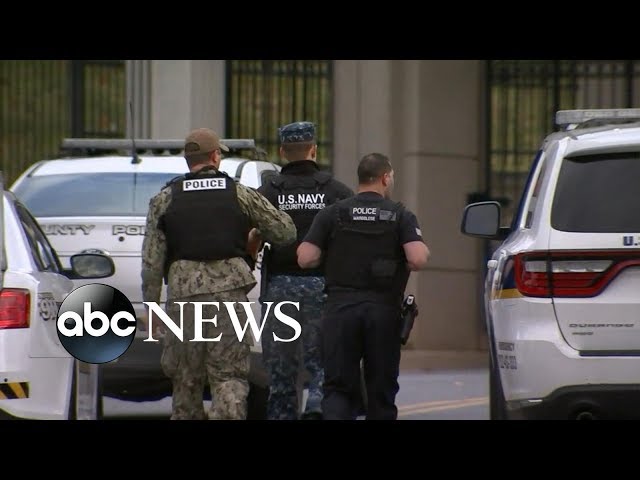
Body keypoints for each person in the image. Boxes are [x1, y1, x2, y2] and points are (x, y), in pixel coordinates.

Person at [141, 128, 296, 420]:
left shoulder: (164, 199)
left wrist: (151, 307)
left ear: (188, 160)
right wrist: (255, 235)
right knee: (229, 376)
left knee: (185, 378)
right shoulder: (239, 193)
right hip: (229, 297)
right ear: (215, 156)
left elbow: (151, 262)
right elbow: (285, 231)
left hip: (184, 298)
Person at [297, 153, 430, 420]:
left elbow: (305, 258)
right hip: (382, 312)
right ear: (385, 178)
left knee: (338, 388)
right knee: (381, 389)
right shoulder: (400, 215)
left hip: (340, 310)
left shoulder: (332, 214)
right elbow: (417, 259)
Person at [257, 121, 353, 420]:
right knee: (322, 361)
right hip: (322, 287)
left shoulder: (267, 192)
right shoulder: (337, 192)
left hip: (279, 288)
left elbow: (250, 237)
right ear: (313, 149)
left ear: (282, 152)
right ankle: (316, 406)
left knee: (281, 369)